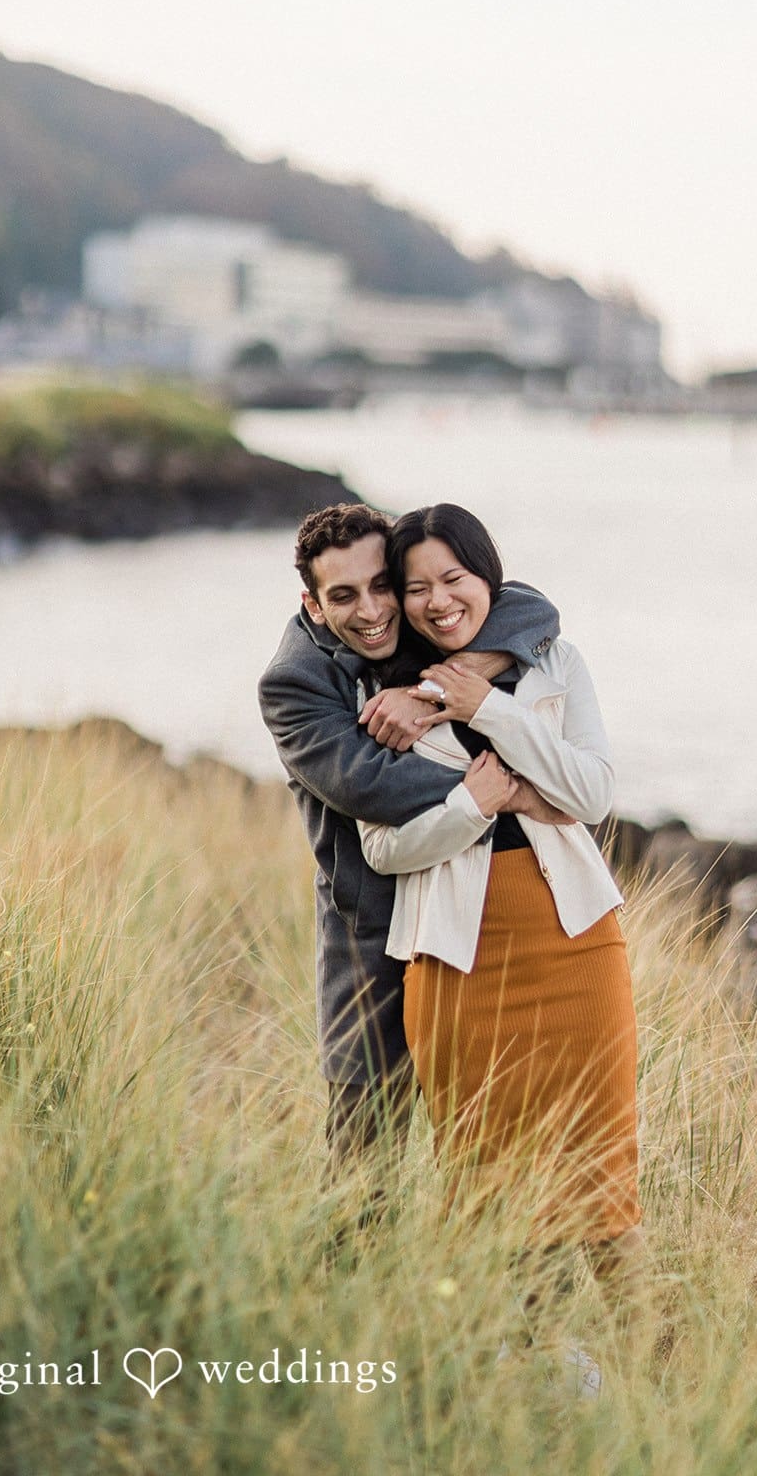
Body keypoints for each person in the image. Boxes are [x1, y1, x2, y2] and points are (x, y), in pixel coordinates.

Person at [355, 504, 643, 1325]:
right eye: (416, 589)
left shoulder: (553, 662)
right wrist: (476, 804)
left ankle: (660, 1377)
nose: (438, 601)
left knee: (603, 1184)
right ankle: (524, 1376)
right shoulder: (386, 702)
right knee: (483, 1183)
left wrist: (486, 707)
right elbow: (383, 847)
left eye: (454, 579)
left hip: (576, 944)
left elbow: (589, 794)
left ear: (489, 578)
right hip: (457, 961)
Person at [257, 503, 569, 1208]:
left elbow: (531, 606)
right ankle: (353, 1306)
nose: (371, 612)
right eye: (342, 596)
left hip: (474, 928)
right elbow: (370, 783)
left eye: (381, 586)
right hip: (373, 948)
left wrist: (434, 687)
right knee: (363, 1174)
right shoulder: (293, 682)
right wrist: (511, 790)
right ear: (310, 601)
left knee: (500, 1150)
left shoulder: (423, 630)